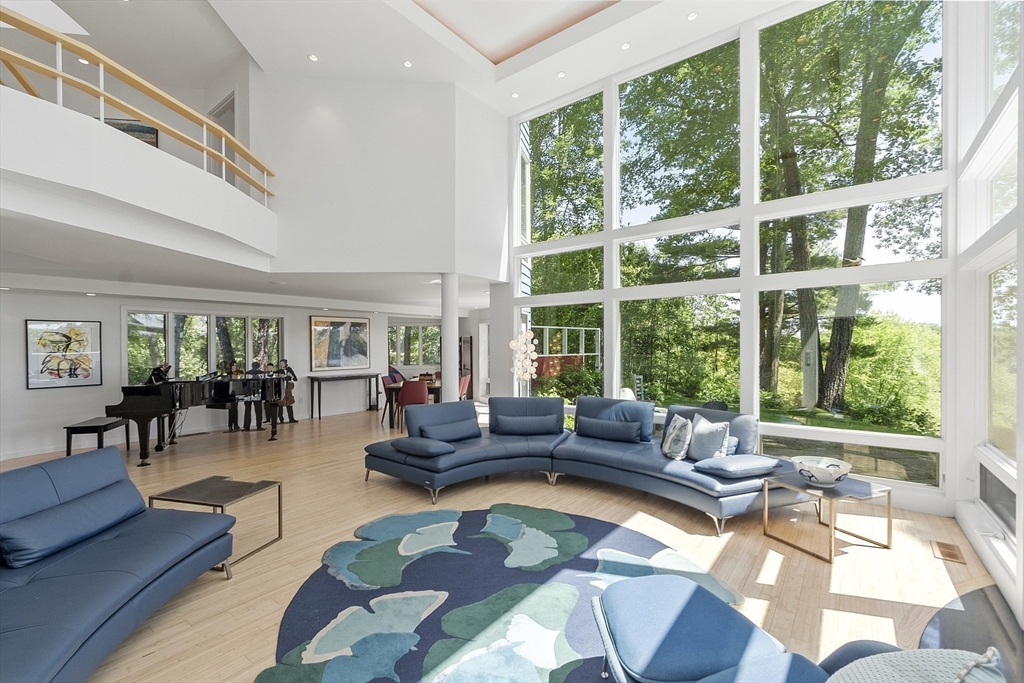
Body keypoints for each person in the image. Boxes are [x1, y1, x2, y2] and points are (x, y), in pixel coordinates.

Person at [243, 361, 265, 431]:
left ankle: (246, 427)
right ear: (258, 367)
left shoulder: (247, 373)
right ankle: (259, 426)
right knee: (258, 410)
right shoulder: (260, 373)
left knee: (247, 410)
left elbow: (244, 384)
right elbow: (261, 384)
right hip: (257, 393)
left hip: (248, 394)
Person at [277, 359, 298, 423]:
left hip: (288, 387)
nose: (281, 365)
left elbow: (295, 379)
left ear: (285, 363)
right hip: (282, 387)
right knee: (280, 403)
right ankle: (280, 419)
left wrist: (290, 375)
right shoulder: (280, 371)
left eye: (282, 363)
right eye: (280, 364)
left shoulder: (289, 369)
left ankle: (291, 418)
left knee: (289, 403)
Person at [224, 361, 243, 432]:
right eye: (234, 366)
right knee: (231, 410)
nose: (235, 367)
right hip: (230, 393)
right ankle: (230, 426)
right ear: (231, 366)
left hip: (235, 392)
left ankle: (236, 425)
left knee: (235, 409)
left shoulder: (237, 373)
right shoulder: (228, 374)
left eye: (236, 365)